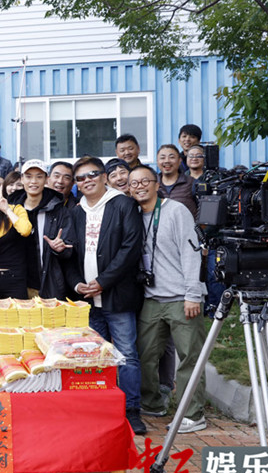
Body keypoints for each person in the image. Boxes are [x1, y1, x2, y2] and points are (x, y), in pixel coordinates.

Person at [65, 156, 145, 435]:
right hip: (87, 299)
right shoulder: (76, 212)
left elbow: (130, 248)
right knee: (93, 357)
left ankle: (131, 409)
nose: (87, 181)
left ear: (103, 176)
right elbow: (71, 253)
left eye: (92, 174)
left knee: (127, 355)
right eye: (80, 178)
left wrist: (103, 282)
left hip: (117, 296)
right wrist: (77, 285)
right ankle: (99, 407)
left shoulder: (122, 205)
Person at [129, 165, 208, 433]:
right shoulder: (134, 214)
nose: (139, 186)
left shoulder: (176, 210)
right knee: (145, 354)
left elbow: (191, 253)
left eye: (145, 181)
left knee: (189, 357)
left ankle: (192, 413)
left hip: (182, 297)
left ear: (156, 184)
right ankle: (152, 403)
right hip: (152, 297)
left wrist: (193, 294)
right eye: (134, 183)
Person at [9, 160, 76, 300]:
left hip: (47, 284)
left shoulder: (58, 210)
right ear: (22, 179)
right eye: (28, 176)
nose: (33, 181)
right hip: (16, 284)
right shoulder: (11, 208)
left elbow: (69, 247)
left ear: (46, 179)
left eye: (39, 176)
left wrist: (59, 248)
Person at [157, 144, 197, 217]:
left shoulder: (191, 182)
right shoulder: (152, 184)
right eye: (162, 158)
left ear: (179, 160)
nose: (167, 161)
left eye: (171, 157)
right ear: (157, 161)